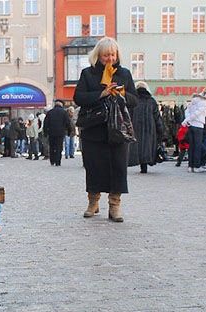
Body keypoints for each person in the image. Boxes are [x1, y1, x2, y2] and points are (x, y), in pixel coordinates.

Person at [73, 37, 137, 222]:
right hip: (94, 128)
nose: (110, 59)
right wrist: (101, 93)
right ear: (98, 56)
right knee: (94, 167)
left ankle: (114, 205)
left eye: (112, 55)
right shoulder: (88, 74)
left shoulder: (124, 74)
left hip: (118, 129)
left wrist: (122, 93)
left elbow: (135, 100)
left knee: (118, 168)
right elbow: (79, 97)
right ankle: (93, 202)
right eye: (106, 55)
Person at [128, 81, 163, 173]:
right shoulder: (152, 101)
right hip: (150, 129)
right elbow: (157, 117)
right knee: (147, 145)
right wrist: (160, 130)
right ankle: (145, 165)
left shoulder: (133, 100)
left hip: (135, 127)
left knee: (137, 145)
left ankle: (141, 164)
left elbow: (128, 115)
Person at [181, 90, 206, 173]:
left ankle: (190, 166)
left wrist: (187, 120)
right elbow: (197, 113)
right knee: (197, 147)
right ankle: (196, 166)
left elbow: (187, 110)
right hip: (199, 125)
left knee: (191, 147)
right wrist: (188, 120)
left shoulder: (194, 99)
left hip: (191, 125)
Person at [43, 100, 71, 166]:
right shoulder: (64, 112)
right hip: (60, 133)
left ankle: (52, 160)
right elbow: (68, 122)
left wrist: (45, 132)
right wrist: (69, 131)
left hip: (51, 132)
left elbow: (46, 123)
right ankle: (58, 161)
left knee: (52, 146)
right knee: (59, 147)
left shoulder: (50, 112)